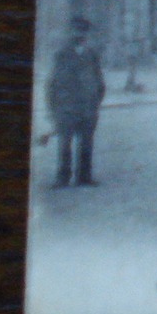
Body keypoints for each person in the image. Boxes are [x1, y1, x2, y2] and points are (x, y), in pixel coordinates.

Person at [46, 16, 105, 189]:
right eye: (76, 30)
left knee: (86, 142)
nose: (79, 34)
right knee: (65, 143)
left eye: (82, 31)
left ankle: (84, 176)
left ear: (86, 34)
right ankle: (62, 177)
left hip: (87, 107)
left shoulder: (92, 54)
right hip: (67, 108)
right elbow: (53, 83)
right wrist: (54, 108)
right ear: (70, 32)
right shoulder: (62, 54)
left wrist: (95, 103)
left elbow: (99, 81)